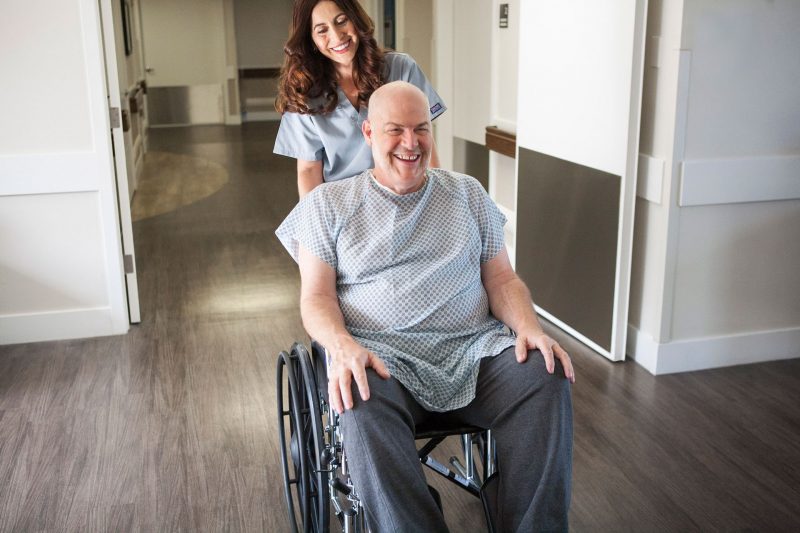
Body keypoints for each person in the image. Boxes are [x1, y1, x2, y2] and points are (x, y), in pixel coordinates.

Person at [276, 81, 574, 532]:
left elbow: (502, 279)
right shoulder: (327, 205)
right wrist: (340, 345)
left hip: (474, 352)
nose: (411, 143)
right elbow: (316, 296)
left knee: (545, 373)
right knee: (353, 393)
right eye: (395, 130)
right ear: (369, 133)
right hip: (381, 359)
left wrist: (529, 327)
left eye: (421, 129)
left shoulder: (468, 193)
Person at [273, 0, 446, 198]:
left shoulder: (401, 69)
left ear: (355, 19)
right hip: (343, 204)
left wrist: (435, 200)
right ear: (310, 39)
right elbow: (308, 170)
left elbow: (424, 142)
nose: (337, 36)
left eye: (341, 21)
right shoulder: (304, 93)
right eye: (322, 30)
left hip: (404, 197)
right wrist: (316, 223)